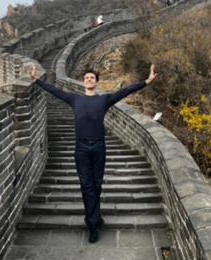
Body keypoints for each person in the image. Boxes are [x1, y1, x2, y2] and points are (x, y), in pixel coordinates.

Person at [29, 64, 157, 243]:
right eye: (87, 77)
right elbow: (55, 91)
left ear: (96, 82)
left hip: (99, 147)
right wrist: (36, 81)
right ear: (83, 82)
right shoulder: (75, 100)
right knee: (86, 186)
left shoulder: (103, 100)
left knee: (96, 185)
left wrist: (146, 82)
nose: (89, 79)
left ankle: (95, 217)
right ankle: (92, 224)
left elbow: (125, 91)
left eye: (92, 78)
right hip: (81, 148)